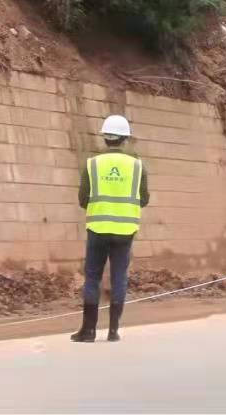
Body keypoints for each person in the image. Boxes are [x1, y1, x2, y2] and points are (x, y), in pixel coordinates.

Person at [72, 115, 150, 342]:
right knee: (119, 277)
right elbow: (144, 198)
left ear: (105, 138)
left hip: (97, 228)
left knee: (92, 277)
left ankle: (88, 331)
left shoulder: (92, 164)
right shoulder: (138, 166)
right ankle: (113, 331)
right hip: (125, 230)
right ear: (125, 139)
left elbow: (83, 199)